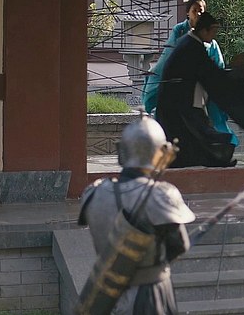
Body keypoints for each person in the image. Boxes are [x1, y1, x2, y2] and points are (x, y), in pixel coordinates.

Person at [78, 114, 195, 314]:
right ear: (162, 152)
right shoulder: (161, 194)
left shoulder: (93, 192)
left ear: (120, 151)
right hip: (149, 295)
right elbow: (179, 245)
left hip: (104, 293)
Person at [156, 11, 244, 167]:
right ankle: (217, 159)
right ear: (204, 30)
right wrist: (241, 73)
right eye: (213, 31)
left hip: (178, 104)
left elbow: (210, 73)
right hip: (179, 106)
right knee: (194, 136)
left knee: (191, 139)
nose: (214, 35)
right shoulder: (192, 47)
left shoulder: (187, 43)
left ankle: (215, 159)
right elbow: (212, 75)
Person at [142, 0, 238, 147]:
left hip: (198, 92)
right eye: (195, 10)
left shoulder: (207, 43)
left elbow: (217, 67)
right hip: (181, 92)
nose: (198, 13)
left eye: (201, 10)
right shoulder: (184, 37)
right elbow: (168, 60)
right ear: (188, 12)